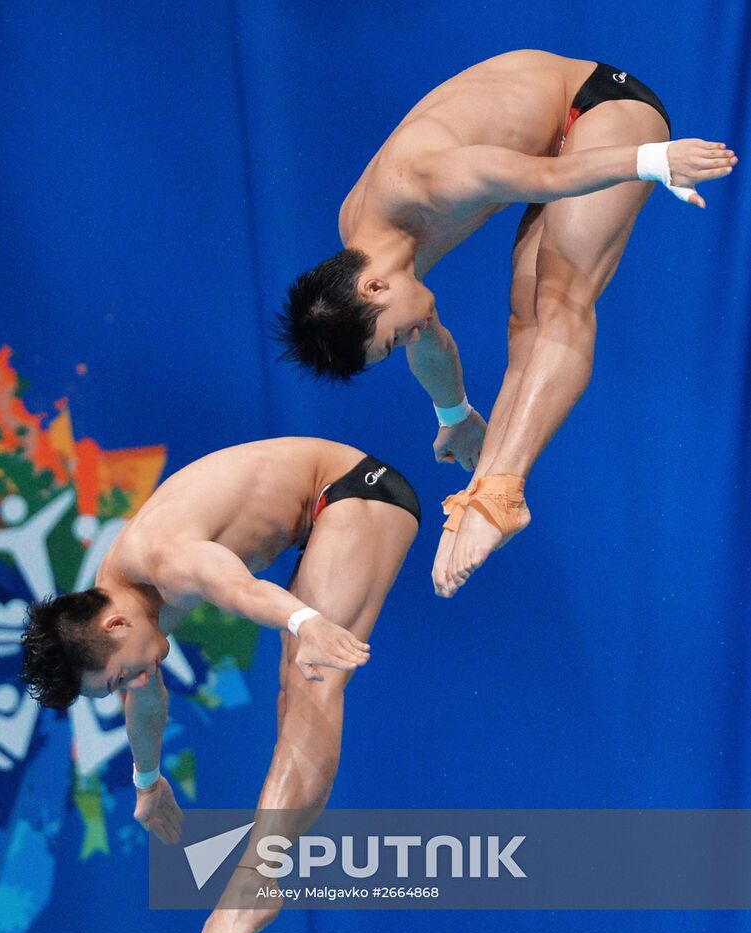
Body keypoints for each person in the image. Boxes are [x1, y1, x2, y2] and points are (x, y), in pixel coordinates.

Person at [276, 50, 737, 597]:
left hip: (597, 107)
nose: (409, 335)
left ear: (372, 289)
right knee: (526, 323)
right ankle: (481, 494)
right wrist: (454, 413)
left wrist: (654, 160)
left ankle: (501, 494)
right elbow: (430, 342)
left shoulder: (424, 182)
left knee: (562, 297)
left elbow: (548, 175)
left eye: (393, 336)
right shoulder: (371, 255)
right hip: (552, 152)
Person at [20, 437, 420, 933]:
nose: (135, 681)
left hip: (356, 492)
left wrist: (307, 624)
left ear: (114, 626)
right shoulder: (121, 603)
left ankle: (256, 877)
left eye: (121, 675)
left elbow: (239, 590)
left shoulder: (167, 560)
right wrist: (147, 780)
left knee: (313, 679)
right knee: (294, 693)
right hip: (324, 516)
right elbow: (145, 701)